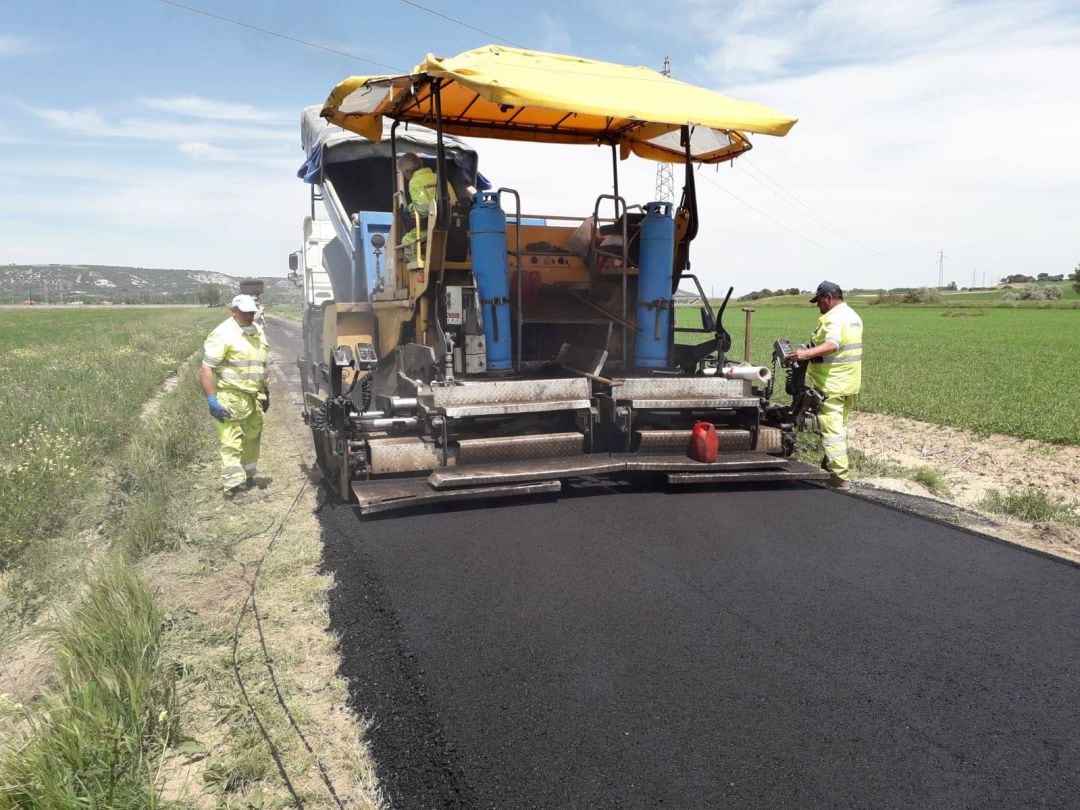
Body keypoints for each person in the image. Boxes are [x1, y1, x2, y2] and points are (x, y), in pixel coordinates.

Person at [786, 281, 863, 490]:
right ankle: (829, 468)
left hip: (832, 385)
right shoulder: (853, 316)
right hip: (849, 384)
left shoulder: (834, 319)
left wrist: (805, 354)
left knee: (831, 432)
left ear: (828, 297)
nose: (818, 306)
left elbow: (833, 344)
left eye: (819, 301)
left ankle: (838, 479)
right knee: (840, 428)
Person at [201, 294, 270, 497]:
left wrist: (265, 390)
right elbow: (206, 368)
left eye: (251, 312)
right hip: (230, 396)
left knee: (252, 437)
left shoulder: (257, 331)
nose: (249, 316)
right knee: (231, 441)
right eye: (244, 313)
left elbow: (261, 363)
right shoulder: (223, 334)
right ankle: (232, 486)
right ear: (233, 311)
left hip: (254, 396)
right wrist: (212, 400)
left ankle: (247, 478)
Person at [397, 152, 457, 261]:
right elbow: (454, 202)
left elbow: (423, 210)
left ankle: (419, 268)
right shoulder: (441, 179)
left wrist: (411, 208)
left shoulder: (414, 182)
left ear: (406, 171)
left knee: (406, 243)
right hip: (449, 226)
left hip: (429, 227)